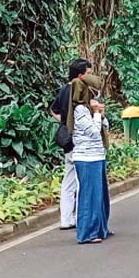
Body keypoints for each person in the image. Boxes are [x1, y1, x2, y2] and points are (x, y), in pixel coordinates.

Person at [68, 74, 111, 244]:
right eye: (94, 92)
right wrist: (95, 114)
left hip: (97, 155)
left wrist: (100, 114)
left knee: (100, 196)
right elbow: (93, 131)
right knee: (88, 197)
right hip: (86, 158)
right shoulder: (79, 110)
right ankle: (87, 233)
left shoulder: (87, 110)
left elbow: (103, 126)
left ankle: (100, 228)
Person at [50, 58, 92, 230]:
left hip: (68, 142)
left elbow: (53, 109)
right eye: (89, 74)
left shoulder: (63, 90)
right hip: (81, 143)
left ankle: (66, 219)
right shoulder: (80, 91)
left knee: (69, 181)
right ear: (80, 76)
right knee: (83, 182)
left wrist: (66, 124)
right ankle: (83, 218)